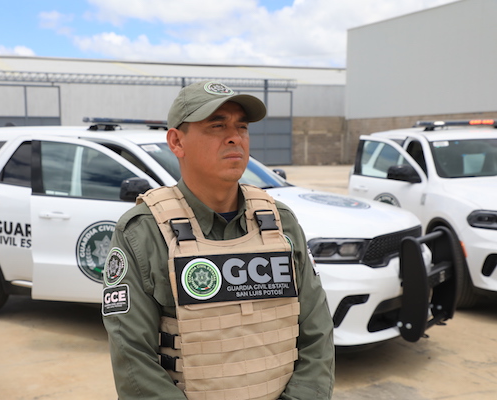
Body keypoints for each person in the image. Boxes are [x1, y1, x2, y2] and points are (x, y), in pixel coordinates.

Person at [102, 81, 335, 399]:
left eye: (242, 127)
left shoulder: (281, 223)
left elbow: (317, 334)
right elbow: (134, 362)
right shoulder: (143, 232)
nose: (235, 137)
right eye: (217, 125)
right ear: (177, 142)